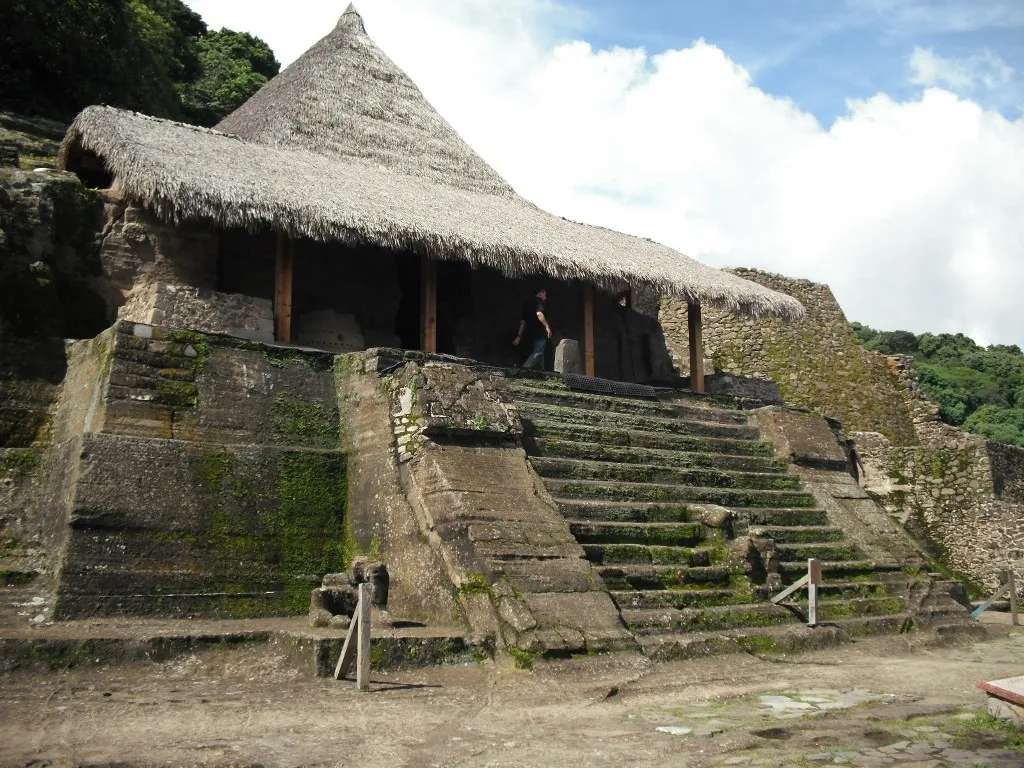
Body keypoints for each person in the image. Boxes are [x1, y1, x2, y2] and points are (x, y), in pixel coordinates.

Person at [513, 287, 551, 369]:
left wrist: (519, 336)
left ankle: (541, 375)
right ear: (541, 293)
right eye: (545, 294)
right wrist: (547, 327)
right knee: (538, 353)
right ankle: (523, 370)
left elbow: (523, 322)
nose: (546, 297)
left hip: (528, 333)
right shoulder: (539, 301)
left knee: (539, 356)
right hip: (539, 333)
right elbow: (539, 313)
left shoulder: (527, 303)